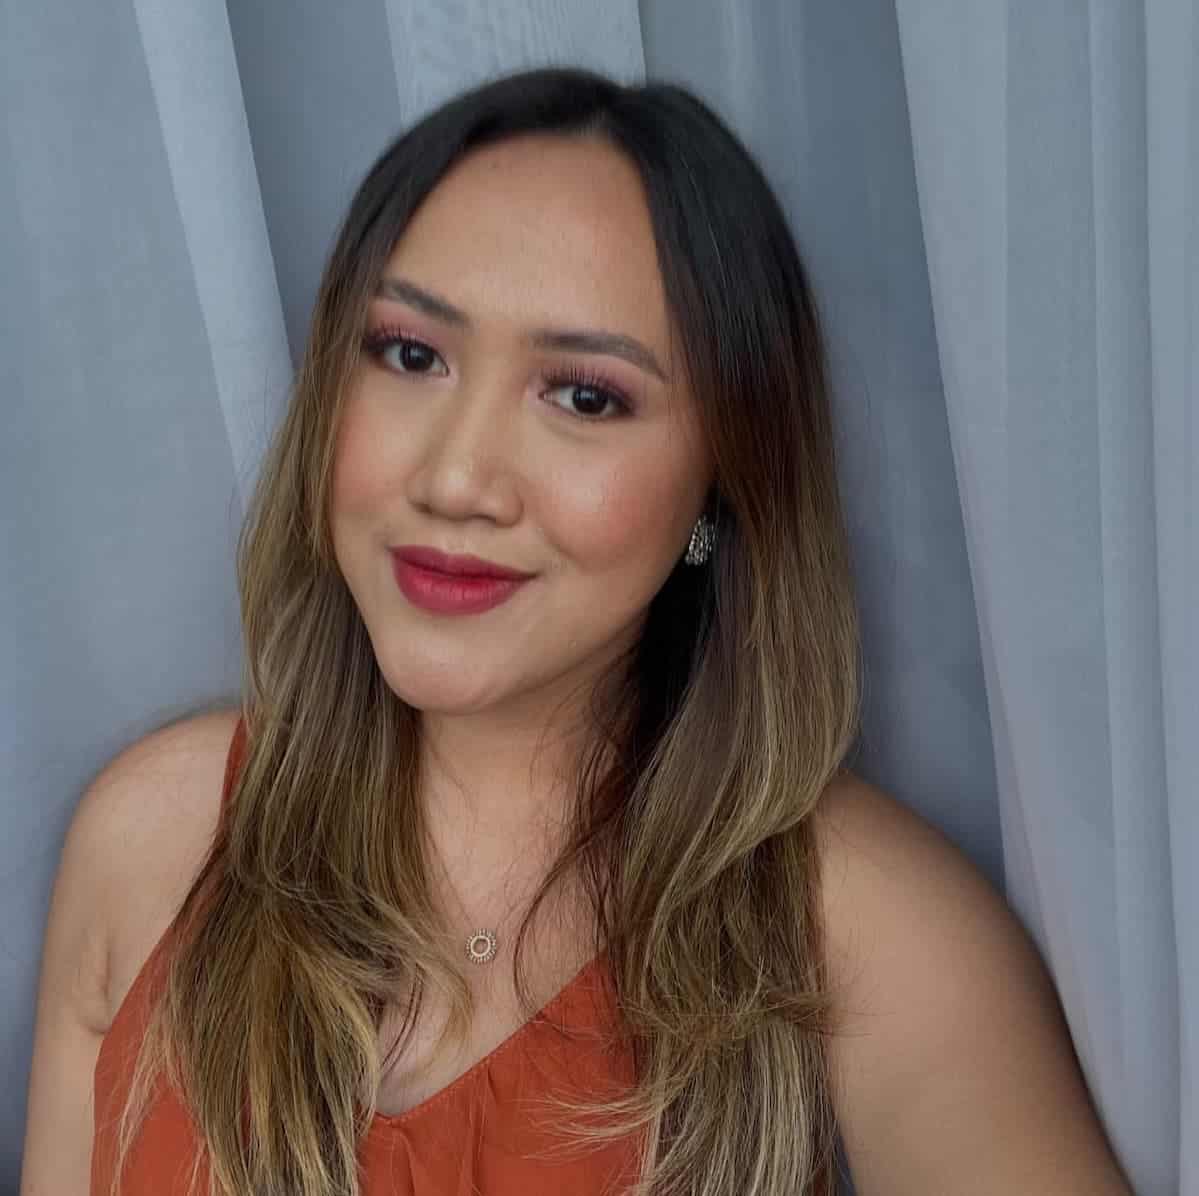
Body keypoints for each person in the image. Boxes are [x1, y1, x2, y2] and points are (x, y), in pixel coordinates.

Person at [21, 67, 1133, 1196]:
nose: (455, 477)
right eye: (411, 354)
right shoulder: (151, 845)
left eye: (584, 396)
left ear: (721, 482)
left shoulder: (875, 939)